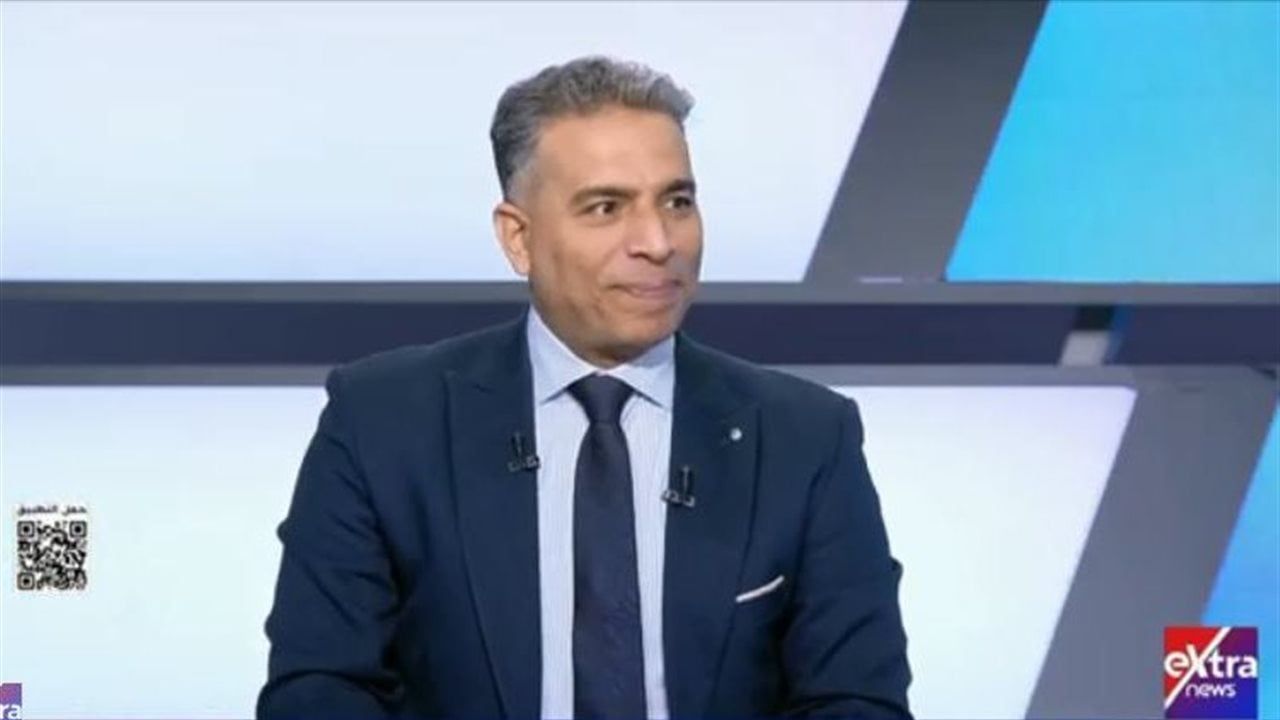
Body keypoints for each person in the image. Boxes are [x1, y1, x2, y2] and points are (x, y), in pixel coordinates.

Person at [257, 55, 911, 719]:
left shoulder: (805, 438)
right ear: (518, 238)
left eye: (677, 202)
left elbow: (857, 700)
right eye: (606, 207)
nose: (657, 241)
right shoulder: (383, 422)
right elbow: (319, 691)